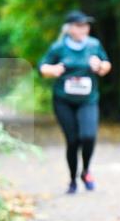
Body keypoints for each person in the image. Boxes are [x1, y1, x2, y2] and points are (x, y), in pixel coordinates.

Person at [39, 10, 112, 194]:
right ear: (70, 28)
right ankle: (72, 179)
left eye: (86, 25)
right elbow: (43, 67)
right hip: (63, 101)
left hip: (88, 100)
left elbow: (106, 65)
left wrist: (100, 66)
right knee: (72, 140)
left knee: (88, 136)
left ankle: (86, 171)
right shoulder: (58, 47)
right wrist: (53, 69)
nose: (84, 29)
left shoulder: (94, 45)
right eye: (80, 25)